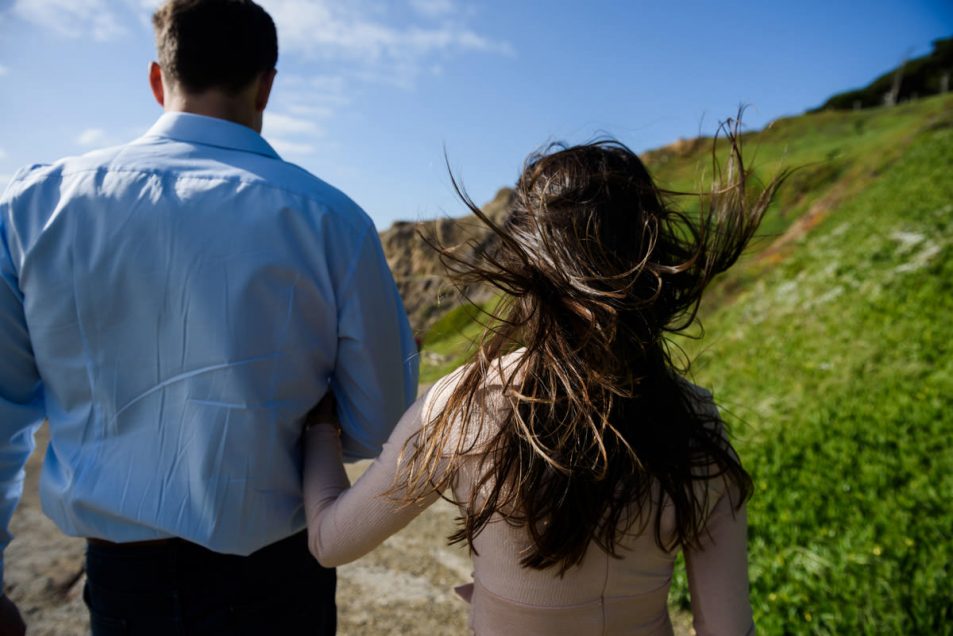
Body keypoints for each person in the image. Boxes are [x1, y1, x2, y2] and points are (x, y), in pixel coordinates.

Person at [0, 0, 417, 633]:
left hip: (123, 584)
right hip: (279, 581)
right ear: (267, 85)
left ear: (155, 77)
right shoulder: (332, 220)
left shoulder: (31, 206)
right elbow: (381, 421)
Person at [303, 126, 786, 634]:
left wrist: (320, 429)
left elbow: (331, 541)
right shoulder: (693, 421)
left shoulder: (466, 402)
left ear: (523, 263)